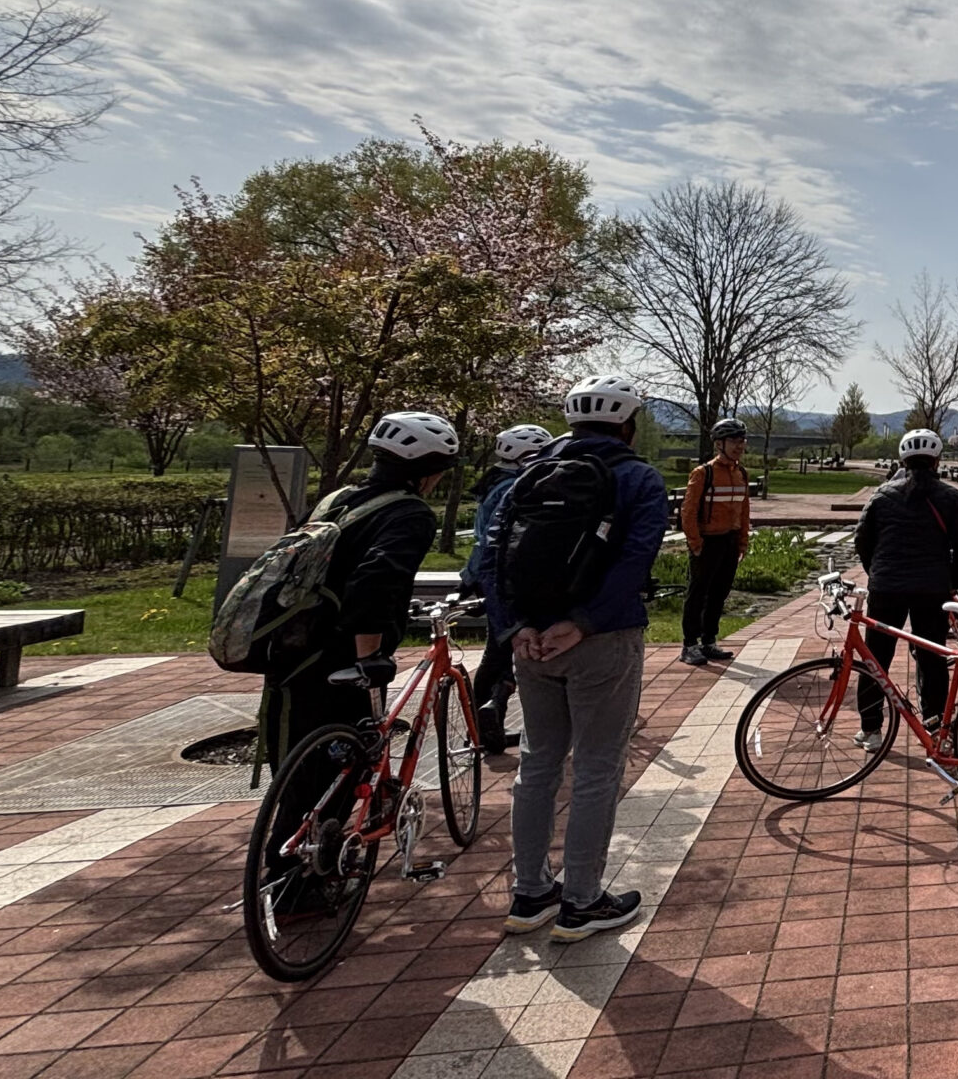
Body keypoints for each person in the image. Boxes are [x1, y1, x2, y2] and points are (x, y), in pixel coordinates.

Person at [494, 374, 667, 943]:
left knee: (537, 762)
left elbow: (492, 555)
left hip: (531, 639)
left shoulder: (528, 474)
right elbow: (636, 560)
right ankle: (583, 900)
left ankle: (529, 893)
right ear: (628, 425)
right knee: (596, 767)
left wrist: (513, 625)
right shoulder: (637, 477)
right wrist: (585, 622)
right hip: (601, 637)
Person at [260, 410, 456, 769]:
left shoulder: (336, 500)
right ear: (428, 470)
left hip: (293, 646)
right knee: (337, 776)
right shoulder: (410, 513)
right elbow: (375, 582)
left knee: (296, 769)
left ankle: (293, 823)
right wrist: (369, 658)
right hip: (340, 658)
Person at [851, 429, 958, 748]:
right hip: (932, 589)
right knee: (931, 656)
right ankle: (935, 725)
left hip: (887, 587)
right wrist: (952, 584)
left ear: (902, 460)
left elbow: (861, 540)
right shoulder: (951, 497)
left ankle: (871, 729)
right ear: (937, 460)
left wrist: (876, 572)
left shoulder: (881, 495)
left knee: (875, 657)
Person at [461, 422, 555, 755]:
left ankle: (490, 717)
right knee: (502, 651)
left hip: (482, 574)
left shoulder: (494, 482)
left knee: (498, 650)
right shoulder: (513, 486)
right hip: (501, 579)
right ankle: (488, 715)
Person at [677, 417, 752, 667]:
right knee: (698, 593)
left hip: (729, 541)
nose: (739, 446)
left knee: (719, 593)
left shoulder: (741, 473)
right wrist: (695, 541)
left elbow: (743, 510)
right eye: (733, 441)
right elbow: (687, 512)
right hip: (708, 541)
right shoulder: (703, 473)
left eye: (742, 441)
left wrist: (742, 540)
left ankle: (709, 640)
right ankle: (690, 644)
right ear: (719, 444)